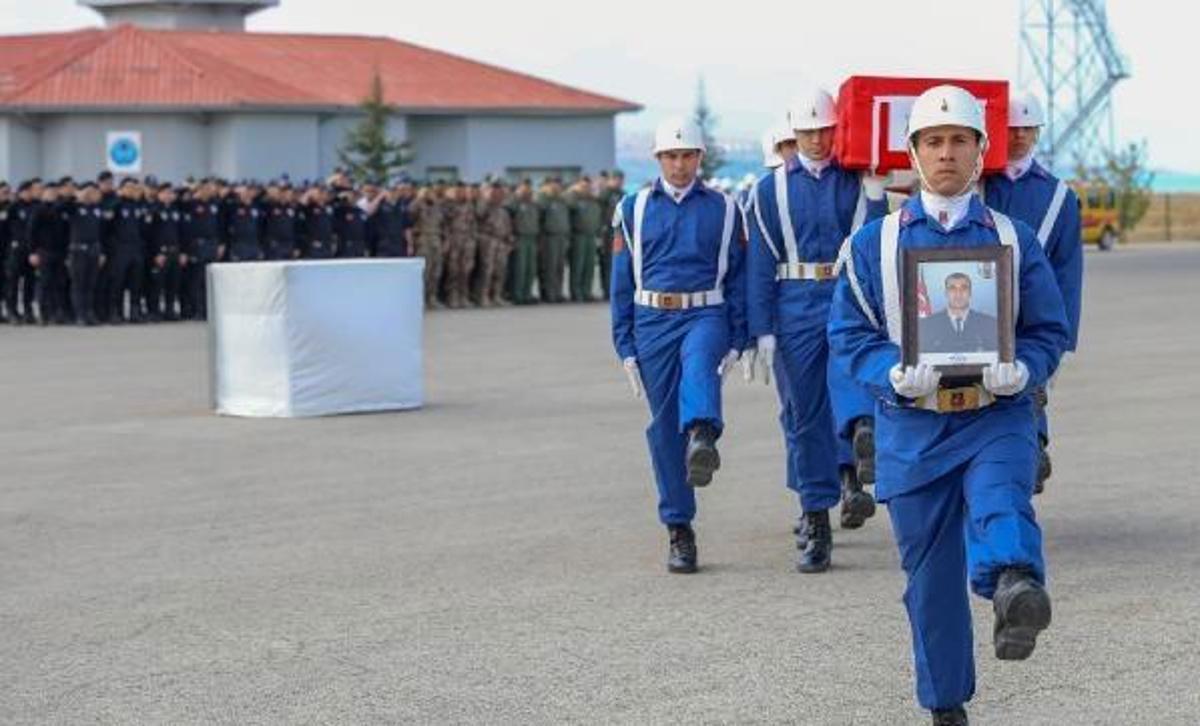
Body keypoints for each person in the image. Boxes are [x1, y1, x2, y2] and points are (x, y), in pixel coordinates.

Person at [828, 84, 1069, 724]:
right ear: (912, 151)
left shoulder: (1014, 240)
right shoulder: (871, 245)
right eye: (933, 141)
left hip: (995, 414)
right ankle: (946, 705)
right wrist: (890, 374)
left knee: (1001, 499)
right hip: (911, 428)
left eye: (960, 140)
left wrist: (1027, 367)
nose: (946, 153)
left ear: (981, 150)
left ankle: (1015, 585)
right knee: (929, 582)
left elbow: (1050, 327)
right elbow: (847, 336)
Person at [745, 88, 889, 571]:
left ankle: (863, 432)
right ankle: (817, 518)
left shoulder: (854, 180)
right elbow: (760, 262)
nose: (816, 139)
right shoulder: (768, 191)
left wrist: (875, 198)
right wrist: (761, 329)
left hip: (845, 292)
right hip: (793, 304)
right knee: (805, 416)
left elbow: (874, 242)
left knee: (854, 378)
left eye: (825, 129)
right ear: (793, 132)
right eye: (807, 131)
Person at [609, 117, 746, 574]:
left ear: (700, 158)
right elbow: (620, 281)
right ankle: (679, 529)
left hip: (707, 311)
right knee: (664, 429)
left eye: (688, 156)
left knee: (700, 361)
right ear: (657, 159)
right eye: (671, 156)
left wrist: (741, 335)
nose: (680, 164)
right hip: (651, 320)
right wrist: (623, 344)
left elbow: (741, 276)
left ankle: (705, 433)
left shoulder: (726, 208)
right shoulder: (633, 208)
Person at [981, 92, 1083, 493]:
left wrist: (1062, 341)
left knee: (1030, 386)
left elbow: (1068, 272)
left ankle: (1035, 448)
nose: (1020, 135)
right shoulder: (978, 184)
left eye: (1027, 128)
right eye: (1011, 128)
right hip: (979, 305)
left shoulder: (1059, 195)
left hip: (1031, 309)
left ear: (1038, 132)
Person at [918, 272, 999, 353]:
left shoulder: (989, 324)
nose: (958, 293)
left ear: (970, 293)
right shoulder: (926, 325)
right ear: (946, 293)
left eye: (964, 288)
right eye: (952, 288)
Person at [106, 177, 147, 323]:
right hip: (120, 249)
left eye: (134, 188)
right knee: (118, 282)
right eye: (129, 187)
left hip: (136, 248)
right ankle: (115, 312)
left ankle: (135, 312)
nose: (132, 190)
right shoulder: (116, 204)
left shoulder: (138, 206)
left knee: (136, 282)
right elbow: (107, 227)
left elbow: (144, 227)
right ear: (121, 189)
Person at [3, 181, 37, 324]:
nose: (31, 193)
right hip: (16, 249)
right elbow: (5, 229)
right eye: (29, 191)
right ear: (22, 191)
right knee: (13, 282)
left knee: (30, 282)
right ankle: (12, 311)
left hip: (31, 250)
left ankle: (28, 311)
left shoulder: (35, 207)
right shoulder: (13, 207)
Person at [568, 177, 603, 302]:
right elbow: (569, 205)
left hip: (591, 236)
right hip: (579, 236)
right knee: (578, 265)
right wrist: (573, 191)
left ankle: (586, 291)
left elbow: (598, 218)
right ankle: (576, 292)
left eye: (588, 187)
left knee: (589, 266)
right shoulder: (574, 199)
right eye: (583, 187)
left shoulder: (593, 202)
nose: (586, 189)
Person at [538, 178, 571, 303]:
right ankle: (549, 294)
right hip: (549, 237)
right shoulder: (544, 199)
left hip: (561, 237)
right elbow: (540, 211)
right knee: (549, 266)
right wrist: (545, 193)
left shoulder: (561, 200)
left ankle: (558, 292)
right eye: (554, 185)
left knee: (559, 267)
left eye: (559, 185)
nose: (557, 187)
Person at [509, 179, 541, 305]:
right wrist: (516, 195)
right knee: (520, 268)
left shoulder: (534, 204)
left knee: (530, 268)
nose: (527, 190)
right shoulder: (515, 203)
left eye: (529, 187)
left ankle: (527, 294)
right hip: (520, 238)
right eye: (524, 187)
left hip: (532, 238)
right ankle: (518, 295)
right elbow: (508, 210)